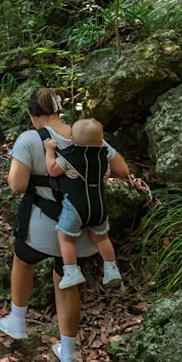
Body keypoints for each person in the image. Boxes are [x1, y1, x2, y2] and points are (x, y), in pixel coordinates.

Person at [0, 89, 129, 362]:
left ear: (34, 115)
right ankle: (68, 355)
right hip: (82, 228)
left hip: (42, 226)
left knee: (23, 260)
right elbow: (121, 169)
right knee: (67, 284)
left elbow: (17, 186)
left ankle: (17, 320)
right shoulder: (89, 137)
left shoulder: (31, 139)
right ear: (60, 110)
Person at [45, 118, 122, 289]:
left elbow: (52, 170)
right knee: (101, 238)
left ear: (71, 139)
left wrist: (49, 150)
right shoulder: (103, 158)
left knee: (65, 238)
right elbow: (107, 175)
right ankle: (111, 268)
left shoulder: (70, 157)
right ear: (101, 141)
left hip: (75, 208)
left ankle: (72, 270)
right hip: (99, 208)